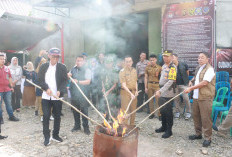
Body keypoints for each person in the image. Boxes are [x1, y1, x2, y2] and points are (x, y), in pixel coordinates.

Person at [184, 52, 215, 147]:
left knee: (206, 118)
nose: (200, 59)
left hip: (205, 97)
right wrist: (191, 81)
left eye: (202, 58)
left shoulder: (209, 69)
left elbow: (204, 82)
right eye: (199, 58)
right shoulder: (199, 68)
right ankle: (198, 134)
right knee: (196, 116)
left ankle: (207, 138)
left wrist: (191, 88)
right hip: (196, 97)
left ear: (207, 59)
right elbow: (196, 77)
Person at [38, 48, 68, 146]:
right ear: (49, 56)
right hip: (46, 96)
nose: (55, 58)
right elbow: (40, 80)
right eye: (53, 56)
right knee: (46, 116)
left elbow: (64, 81)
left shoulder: (62, 67)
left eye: (57, 57)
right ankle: (46, 137)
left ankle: (55, 135)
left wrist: (60, 90)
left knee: (57, 116)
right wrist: (46, 88)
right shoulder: (43, 66)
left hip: (57, 97)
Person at [155, 50, 177, 138]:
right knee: (162, 111)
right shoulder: (164, 66)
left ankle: (169, 130)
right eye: (164, 56)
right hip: (161, 91)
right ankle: (163, 127)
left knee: (168, 112)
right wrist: (159, 90)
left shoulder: (173, 67)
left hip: (168, 92)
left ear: (171, 57)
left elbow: (170, 81)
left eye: (167, 56)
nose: (165, 58)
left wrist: (160, 91)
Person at [69, 55, 91, 135]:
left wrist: (78, 81)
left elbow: (88, 81)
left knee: (84, 111)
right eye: (77, 60)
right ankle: (77, 126)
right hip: (74, 94)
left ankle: (86, 127)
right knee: (75, 110)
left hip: (84, 94)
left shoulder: (87, 70)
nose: (78, 62)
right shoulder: (73, 69)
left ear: (84, 62)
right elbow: (70, 76)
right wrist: (69, 75)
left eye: (80, 61)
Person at [0, 53, 19, 124]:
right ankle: (0, 118)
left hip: (7, 90)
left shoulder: (7, 68)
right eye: (1, 59)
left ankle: (11, 116)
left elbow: (9, 77)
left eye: (3, 59)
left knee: (9, 104)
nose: (3, 60)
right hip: (0, 91)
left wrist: (11, 86)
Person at [119, 56, 138, 125]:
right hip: (125, 93)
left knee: (133, 110)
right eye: (126, 61)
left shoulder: (134, 70)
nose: (128, 63)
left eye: (130, 61)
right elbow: (124, 85)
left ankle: (132, 125)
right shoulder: (122, 71)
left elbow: (136, 81)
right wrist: (130, 93)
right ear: (124, 62)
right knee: (125, 111)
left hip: (133, 92)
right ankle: (125, 127)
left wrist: (136, 91)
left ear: (132, 62)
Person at [172, 53, 191, 120]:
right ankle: (177, 112)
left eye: (173, 57)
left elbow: (187, 72)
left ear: (177, 57)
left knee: (186, 98)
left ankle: (188, 112)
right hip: (175, 85)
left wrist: (187, 80)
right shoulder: (171, 66)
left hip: (183, 84)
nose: (172, 59)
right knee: (176, 99)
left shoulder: (183, 64)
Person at [144, 54, 162, 119]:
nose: (152, 61)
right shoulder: (147, 67)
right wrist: (145, 87)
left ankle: (159, 114)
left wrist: (161, 87)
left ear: (156, 60)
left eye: (153, 60)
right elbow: (146, 77)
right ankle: (152, 114)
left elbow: (162, 77)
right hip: (150, 85)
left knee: (158, 100)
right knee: (150, 100)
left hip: (157, 85)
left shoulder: (159, 67)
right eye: (151, 60)